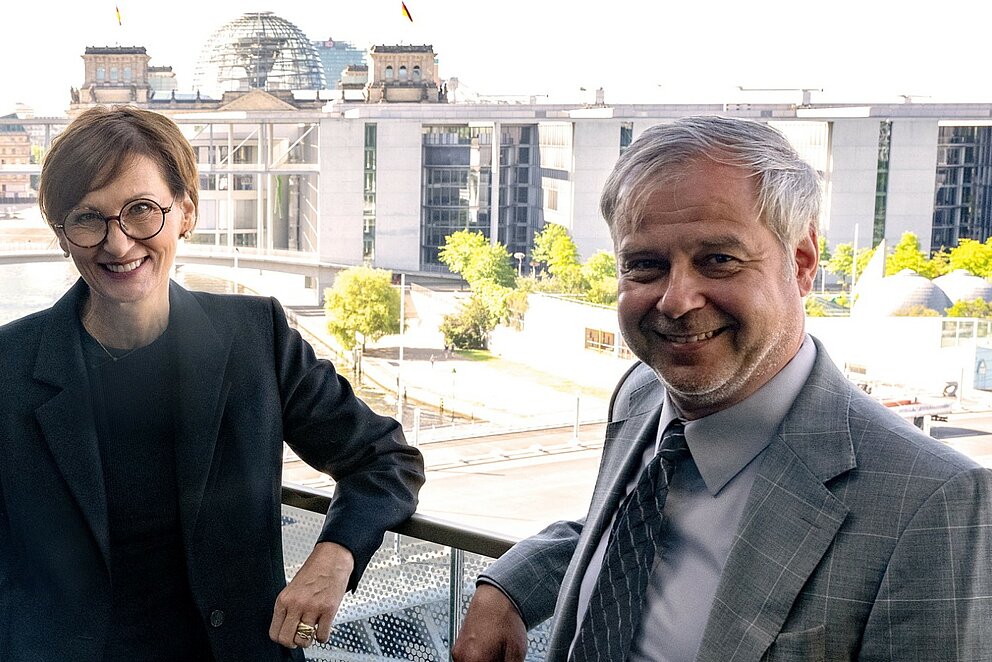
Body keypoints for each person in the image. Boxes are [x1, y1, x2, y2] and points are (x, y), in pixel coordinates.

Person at [453, 116, 992, 662]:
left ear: (802, 261)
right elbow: (624, 526)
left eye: (719, 260)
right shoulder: (642, 394)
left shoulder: (933, 503)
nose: (676, 299)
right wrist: (512, 584)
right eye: (645, 265)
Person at [0, 106, 425, 661]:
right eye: (88, 218)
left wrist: (336, 553)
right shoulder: (9, 366)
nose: (119, 243)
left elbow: (385, 459)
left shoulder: (256, 337)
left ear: (186, 213)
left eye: (141, 210)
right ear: (62, 236)